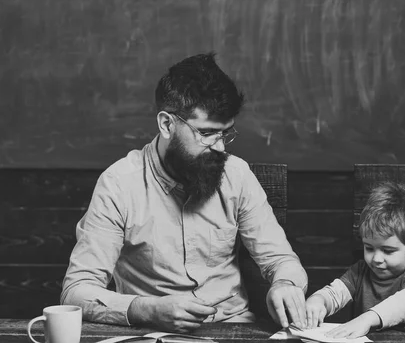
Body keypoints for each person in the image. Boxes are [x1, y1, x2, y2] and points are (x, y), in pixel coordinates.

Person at [61, 53, 308, 333]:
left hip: (231, 328)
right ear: (167, 124)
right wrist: (147, 309)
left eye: (225, 134)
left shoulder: (236, 175)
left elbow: (280, 260)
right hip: (151, 332)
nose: (220, 148)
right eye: (206, 133)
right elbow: (76, 292)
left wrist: (285, 284)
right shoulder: (119, 184)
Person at [304, 182, 405, 338]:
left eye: (388, 251)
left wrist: (367, 319)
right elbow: (335, 293)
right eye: (369, 248)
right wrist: (319, 300)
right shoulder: (360, 271)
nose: (376, 259)